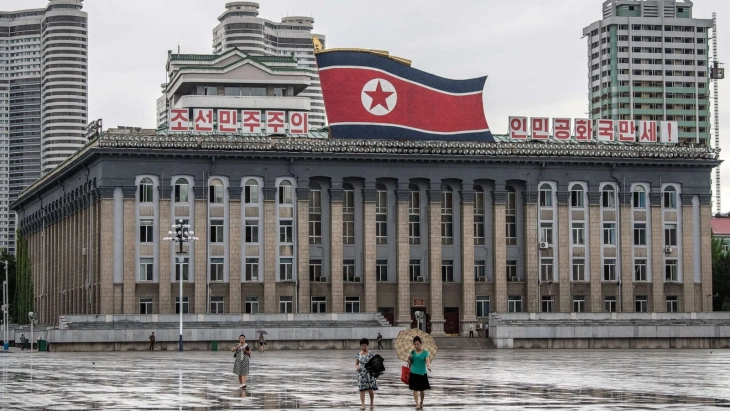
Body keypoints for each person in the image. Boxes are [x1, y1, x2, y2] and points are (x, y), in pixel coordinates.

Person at [407, 336, 431, 411]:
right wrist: (408, 358)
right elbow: (410, 363)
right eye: (415, 344)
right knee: (415, 389)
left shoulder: (425, 352)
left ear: (421, 344)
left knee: (422, 390)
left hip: (422, 373)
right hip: (414, 372)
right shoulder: (412, 352)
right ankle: (417, 404)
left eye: (418, 344)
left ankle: (421, 402)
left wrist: (428, 366)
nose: (416, 345)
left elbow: (427, 361)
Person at [355, 338, 378, 410]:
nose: (363, 347)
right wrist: (357, 367)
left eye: (365, 345)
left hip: (369, 374)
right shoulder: (359, 354)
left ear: (367, 345)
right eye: (362, 345)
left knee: (370, 389)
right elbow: (356, 363)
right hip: (361, 374)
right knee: (361, 389)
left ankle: (371, 402)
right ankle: (363, 404)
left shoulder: (371, 354)